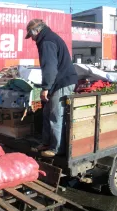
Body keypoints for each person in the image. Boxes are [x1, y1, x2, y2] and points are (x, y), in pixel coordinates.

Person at [25, 19, 78, 157]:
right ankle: (47, 143)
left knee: (56, 115)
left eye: (31, 35)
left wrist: (46, 88)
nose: (32, 39)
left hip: (62, 82)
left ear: (36, 31)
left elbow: (50, 68)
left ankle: (57, 148)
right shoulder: (48, 39)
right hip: (58, 82)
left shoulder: (47, 42)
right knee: (47, 113)